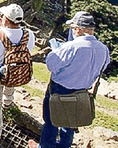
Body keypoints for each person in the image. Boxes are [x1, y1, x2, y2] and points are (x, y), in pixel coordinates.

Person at [38, 11, 110, 148]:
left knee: (51, 121)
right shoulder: (104, 49)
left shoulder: (71, 47)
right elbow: (102, 67)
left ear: (77, 29)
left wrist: (56, 51)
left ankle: (46, 146)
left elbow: (51, 65)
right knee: (70, 123)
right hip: (82, 92)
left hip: (59, 89)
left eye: (72, 28)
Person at [0, 4, 35, 140]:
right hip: (17, 71)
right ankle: (8, 102)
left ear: (6, 20)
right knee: (11, 76)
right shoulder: (29, 35)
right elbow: (29, 49)